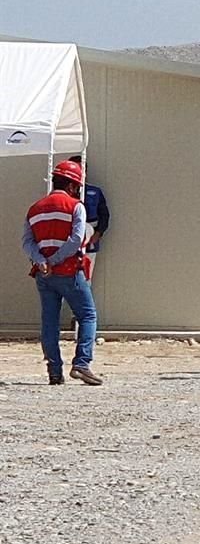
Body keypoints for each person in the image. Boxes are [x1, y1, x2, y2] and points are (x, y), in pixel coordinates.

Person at [22, 160, 103, 386]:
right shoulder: (76, 206)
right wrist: (56, 260)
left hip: (43, 275)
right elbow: (77, 239)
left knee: (49, 321)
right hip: (69, 271)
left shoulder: (35, 208)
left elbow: (27, 243)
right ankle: (82, 364)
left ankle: (54, 371)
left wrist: (42, 261)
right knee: (87, 315)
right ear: (71, 186)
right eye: (77, 186)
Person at [69, 155, 110, 280]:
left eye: (81, 169)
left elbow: (104, 215)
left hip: (91, 238)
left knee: (86, 277)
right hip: (70, 239)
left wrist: (98, 233)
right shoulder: (65, 193)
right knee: (67, 276)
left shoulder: (95, 192)